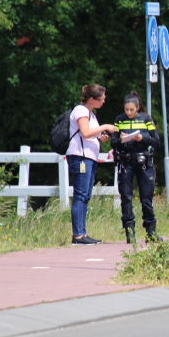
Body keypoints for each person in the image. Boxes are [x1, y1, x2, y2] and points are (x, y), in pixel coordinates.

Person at [67, 84, 116, 245]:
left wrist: (99, 137)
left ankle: (82, 232)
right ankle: (78, 235)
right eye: (101, 99)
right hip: (81, 157)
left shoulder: (91, 114)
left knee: (85, 195)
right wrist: (105, 127)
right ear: (92, 99)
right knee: (80, 195)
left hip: (89, 158)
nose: (103, 101)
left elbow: (89, 135)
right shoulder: (81, 111)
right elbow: (85, 132)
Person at [111, 91, 161, 244]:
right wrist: (120, 140)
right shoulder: (119, 120)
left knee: (146, 197)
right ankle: (129, 231)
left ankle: (150, 231)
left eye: (131, 110)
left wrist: (142, 138)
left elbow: (156, 140)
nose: (129, 112)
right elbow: (113, 143)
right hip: (126, 161)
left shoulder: (146, 119)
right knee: (126, 197)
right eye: (126, 109)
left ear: (137, 108)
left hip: (143, 162)